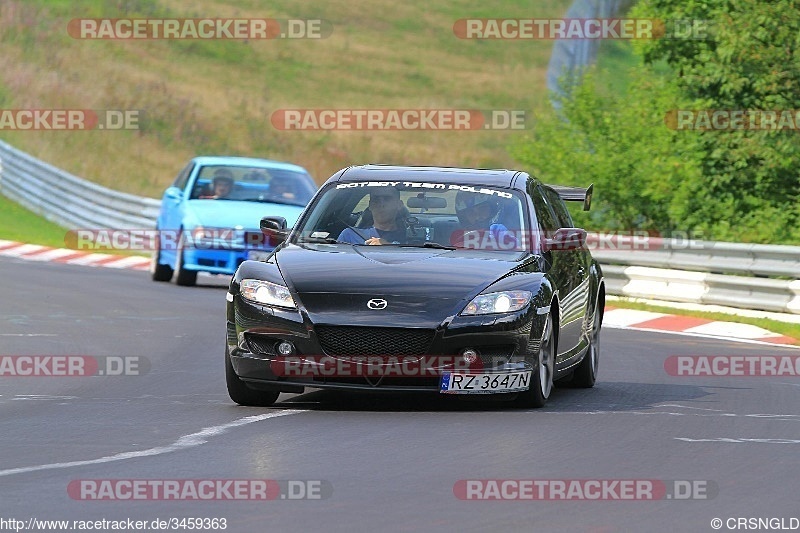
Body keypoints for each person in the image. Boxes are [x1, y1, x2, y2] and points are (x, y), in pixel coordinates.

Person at [338, 188, 407, 245]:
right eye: (376, 199)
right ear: (370, 205)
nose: (381, 204)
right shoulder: (350, 235)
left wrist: (388, 246)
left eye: (387, 199)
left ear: (399, 205)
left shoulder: (412, 238)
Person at [454, 191, 518, 249]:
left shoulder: (507, 231)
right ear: (464, 217)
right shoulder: (458, 238)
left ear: (493, 209)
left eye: (482, 209)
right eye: (470, 212)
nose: (478, 216)